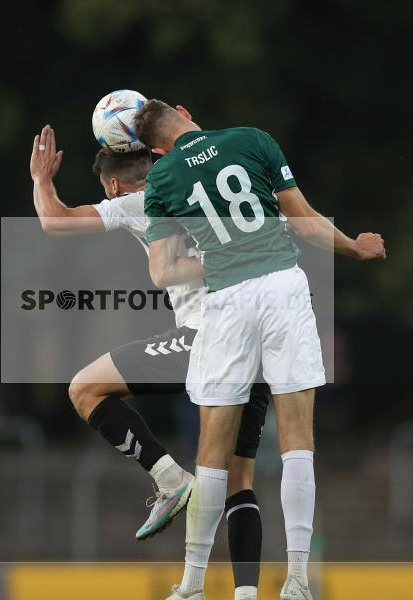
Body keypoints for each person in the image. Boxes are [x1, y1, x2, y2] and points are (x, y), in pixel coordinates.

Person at [134, 100, 385, 600]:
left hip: (227, 301)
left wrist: (216, 257)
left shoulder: (161, 178)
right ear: (185, 112)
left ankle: (191, 586)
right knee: (297, 441)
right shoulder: (252, 138)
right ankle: (296, 581)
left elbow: (162, 273)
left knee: (212, 454)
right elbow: (305, 221)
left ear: (158, 148)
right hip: (283, 288)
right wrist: (356, 246)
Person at [30, 125, 268, 599]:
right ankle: (242, 594)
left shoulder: (139, 201)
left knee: (84, 388)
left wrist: (41, 180)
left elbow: (54, 220)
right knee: (238, 480)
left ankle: (167, 478)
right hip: (259, 339)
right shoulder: (202, 182)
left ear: (115, 185)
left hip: (208, 336)